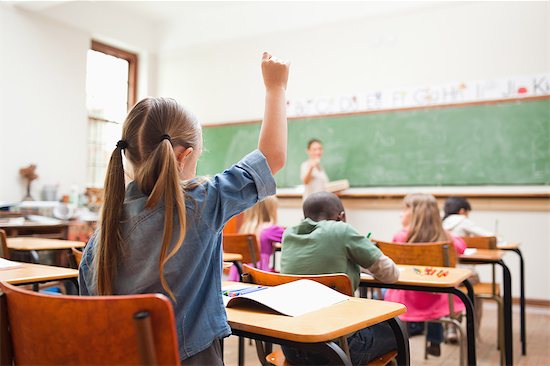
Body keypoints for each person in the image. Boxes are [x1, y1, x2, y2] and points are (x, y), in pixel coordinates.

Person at [78, 52, 290, 365]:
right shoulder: (201, 203)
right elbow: (272, 157)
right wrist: (276, 88)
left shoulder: (100, 240)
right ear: (183, 156)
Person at [281, 191, 399, 365]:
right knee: (397, 329)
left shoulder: (289, 234)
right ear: (342, 216)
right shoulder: (341, 229)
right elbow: (391, 274)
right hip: (339, 350)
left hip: (292, 347)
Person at [384, 193, 467, 356]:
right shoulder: (445, 237)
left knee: (385, 293)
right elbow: (462, 247)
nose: (401, 213)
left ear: (413, 214)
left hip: (407, 300)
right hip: (440, 299)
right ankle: (434, 339)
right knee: (433, 292)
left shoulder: (401, 236)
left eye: (404, 209)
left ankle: (407, 332)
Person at [227, 196, 284, 280]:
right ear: (271, 211)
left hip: (239, 274)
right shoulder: (270, 229)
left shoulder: (245, 229)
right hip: (259, 274)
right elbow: (291, 237)